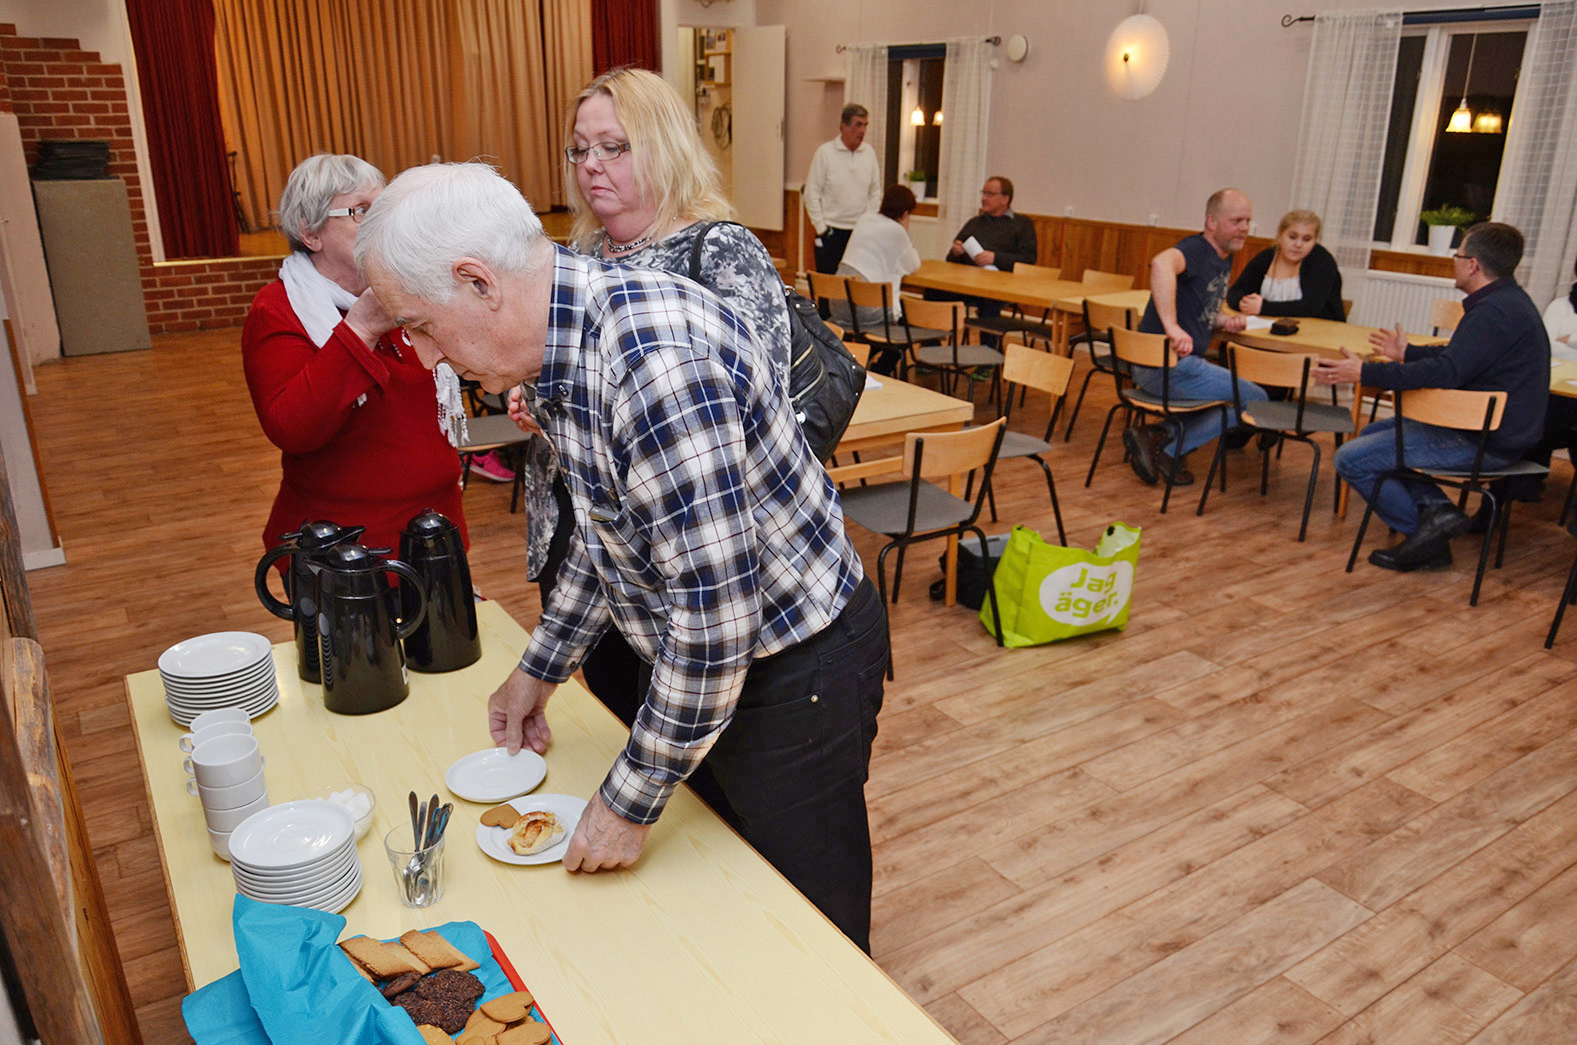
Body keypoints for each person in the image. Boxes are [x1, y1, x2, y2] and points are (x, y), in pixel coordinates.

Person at [356, 162, 889, 953]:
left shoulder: (653, 363)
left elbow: (714, 631)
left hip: (795, 669)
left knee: (811, 931)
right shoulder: (564, 342)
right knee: (724, 896)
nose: (428, 357)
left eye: (421, 326)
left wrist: (629, 799)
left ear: (477, 282)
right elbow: (612, 533)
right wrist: (541, 667)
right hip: (715, 664)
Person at [518, 67, 793, 732]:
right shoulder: (580, 253)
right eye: (580, 149)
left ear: (664, 145)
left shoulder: (717, 249)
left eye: (614, 147)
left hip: (690, 547)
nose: (591, 166)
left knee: (686, 718)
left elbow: (760, 404)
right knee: (614, 700)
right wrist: (536, 399)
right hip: (583, 528)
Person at [242, 153, 466, 564]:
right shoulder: (277, 309)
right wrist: (360, 330)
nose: (381, 224)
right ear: (310, 233)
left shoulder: (405, 290)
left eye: (383, 209)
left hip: (434, 534)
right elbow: (293, 428)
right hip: (343, 551)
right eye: (361, 211)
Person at [1314, 222, 1550, 571]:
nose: (1453, 262)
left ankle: (1427, 535)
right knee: (1369, 436)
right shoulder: (1506, 302)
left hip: (1486, 440)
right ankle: (1438, 513)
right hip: (1489, 430)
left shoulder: (1494, 313)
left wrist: (1365, 372)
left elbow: (1446, 371)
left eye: (1458, 256)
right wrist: (1408, 352)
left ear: (1472, 265)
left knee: (1351, 459)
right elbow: (1459, 356)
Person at [1126, 188, 1267, 486]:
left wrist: (1225, 321)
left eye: (1248, 221)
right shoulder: (1196, 248)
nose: (1244, 228)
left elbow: (1202, 308)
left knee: (1232, 400)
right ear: (1212, 222)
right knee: (1256, 399)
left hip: (1167, 366)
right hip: (1168, 367)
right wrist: (1172, 326)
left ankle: (1158, 435)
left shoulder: (1223, 257)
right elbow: (1161, 263)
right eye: (1237, 220)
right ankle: (1168, 445)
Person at [830, 183, 920, 371]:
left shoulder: (865, 219)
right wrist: (905, 229)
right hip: (866, 309)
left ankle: (858, 361)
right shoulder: (898, 231)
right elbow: (913, 264)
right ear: (905, 213)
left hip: (838, 304)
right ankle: (880, 369)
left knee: (876, 325)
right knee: (907, 326)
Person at [1225, 209, 1346, 321]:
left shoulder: (1322, 260)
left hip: (1318, 334)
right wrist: (1244, 303)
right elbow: (1235, 293)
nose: (1298, 244)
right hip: (1267, 330)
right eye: (1292, 237)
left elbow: (1311, 307)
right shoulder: (1265, 257)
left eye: (1307, 239)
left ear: (1315, 241)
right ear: (1280, 235)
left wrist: (1263, 308)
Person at [803, 104, 881, 274]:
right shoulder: (825, 153)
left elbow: (875, 192)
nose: (862, 130)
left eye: (865, 125)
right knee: (827, 287)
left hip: (859, 232)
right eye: (858, 125)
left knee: (856, 287)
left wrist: (868, 220)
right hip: (831, 231)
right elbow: (811, 193)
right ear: (844, 126)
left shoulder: (869, 153)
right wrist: (821, 228)